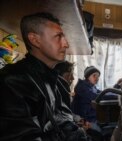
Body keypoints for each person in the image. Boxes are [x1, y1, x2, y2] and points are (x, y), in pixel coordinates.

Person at [0, 12, 88, 141]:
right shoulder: (12, 81)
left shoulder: (58, 83)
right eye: (58, 37)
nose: (66, 44)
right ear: (35, 40)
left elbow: (63, 121)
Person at [71, 66, 102, 132]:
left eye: (98, 76)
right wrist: (118, 96)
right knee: (98, 133)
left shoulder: (92, 87)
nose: (97, 78)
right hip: (83, 119)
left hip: (91, 117)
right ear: (88, 76)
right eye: (94, 75)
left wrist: (117, 93)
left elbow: (102, 93)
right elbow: (96, 96)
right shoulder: (82, 87)